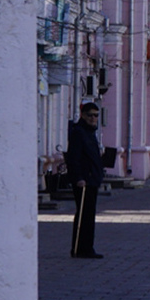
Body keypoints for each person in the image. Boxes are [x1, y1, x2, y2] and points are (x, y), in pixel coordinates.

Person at [67, 102, 105, 259]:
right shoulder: (79, 132)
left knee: (89, 215)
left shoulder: (90, 133)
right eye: (90, 115)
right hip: (84, 180)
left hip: (92, 179)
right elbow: (73, 158)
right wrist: (79, 178)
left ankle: (87, 247)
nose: (93, 118)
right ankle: (79, 248)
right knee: (84, 214)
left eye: (96, 115)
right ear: (83, 115)